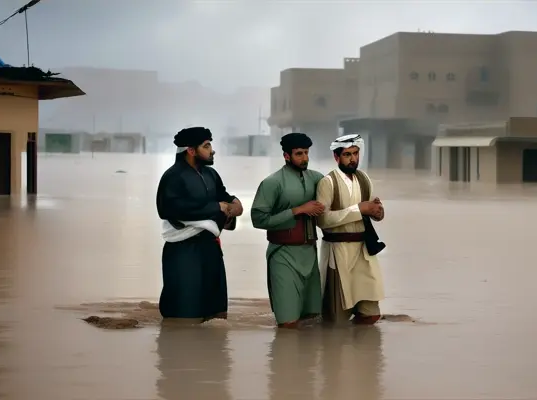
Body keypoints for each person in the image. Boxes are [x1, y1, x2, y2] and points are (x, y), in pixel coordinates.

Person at [155, 127, 243, 324]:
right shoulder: (172, 177)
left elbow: (224, 197)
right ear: (191, 150)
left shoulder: (211, 174)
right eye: (207, 145)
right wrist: (215, 207)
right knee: (184, 313)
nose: (212, 150)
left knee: (216, 313)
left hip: (211, 247)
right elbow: (168, 209)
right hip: (183, 250)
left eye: (210, 144)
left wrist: (235, 204)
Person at [250, 132, 325, 329]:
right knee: (288, 323)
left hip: (309, 253)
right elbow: (258, 219)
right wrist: (298, 210)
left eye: (307, 153)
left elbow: (337, 196)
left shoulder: (317, 179)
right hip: (283, 254)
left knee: (312, 321)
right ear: (286, 156)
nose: (304, 158)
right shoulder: (272, 183)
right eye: (299, 153)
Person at [316, 133, 385, 325]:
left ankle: (360, 352)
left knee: (371, 314)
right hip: (338, 253)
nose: (353, 159)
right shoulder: (327, 183)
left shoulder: (364, 179)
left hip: (364, 251)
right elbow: (322, 220)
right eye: (347, 155)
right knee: (336, 321)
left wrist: (377, 212)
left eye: (355, 153)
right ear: (336, 157)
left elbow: (372, 210)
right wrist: (358, 209)